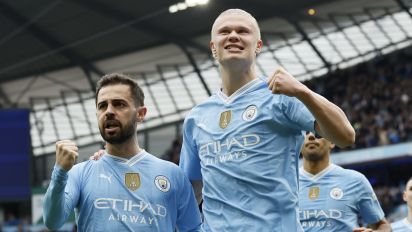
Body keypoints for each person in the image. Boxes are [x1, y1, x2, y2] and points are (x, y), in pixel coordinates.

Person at [179, 8, 355, 231]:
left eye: (243, 31)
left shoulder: (282, 96)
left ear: (258, 46)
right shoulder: (197, 117)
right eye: (225, 31)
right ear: (214, 48)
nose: (233, 35)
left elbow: (345, 136)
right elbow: (191, 189)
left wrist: (303, 91)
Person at [43, 73, 201, 231]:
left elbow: (192, 229)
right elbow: (52, 221)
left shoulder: (173, 174)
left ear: (140, 114)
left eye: (119, 104)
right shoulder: (79, 173)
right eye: (102, 106)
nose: (109, 111)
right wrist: (60, 172)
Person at [299, 131, 391, 232]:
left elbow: (383, 226)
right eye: (306, 132)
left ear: (332, 142)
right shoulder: (285, 183)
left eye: (318, 133)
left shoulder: (355, 180)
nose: (311, 136)